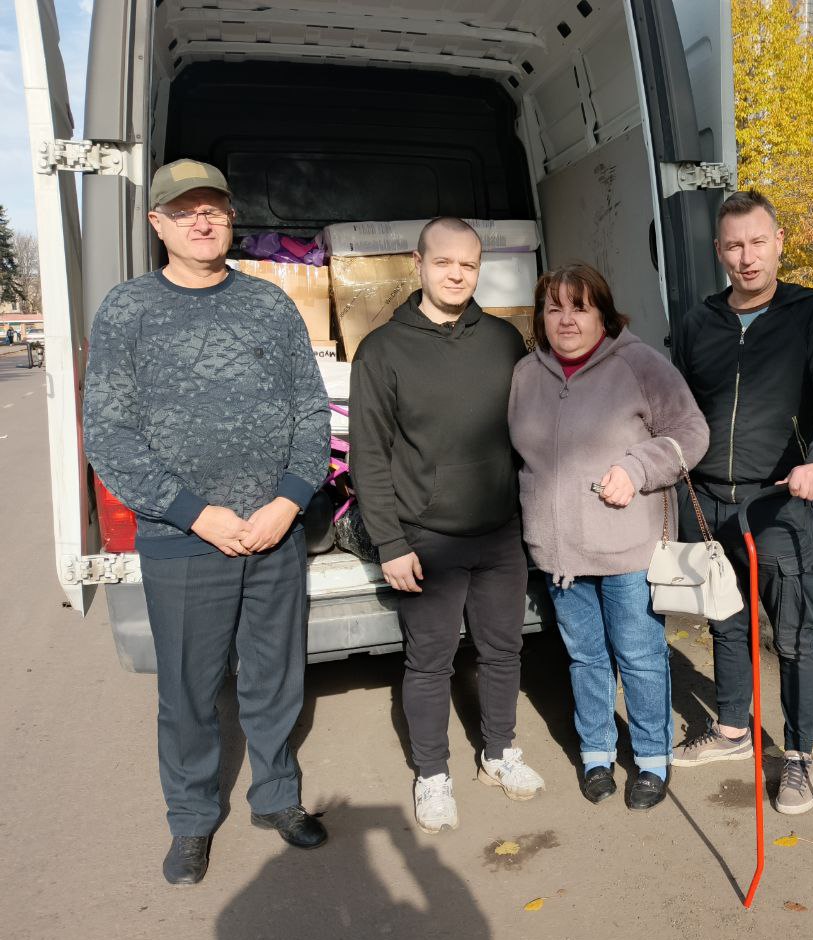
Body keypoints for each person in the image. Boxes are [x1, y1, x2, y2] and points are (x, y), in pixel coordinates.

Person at [82, 159, 332, 885]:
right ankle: (192, 819)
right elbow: (109, 434)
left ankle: (277, 797)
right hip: (185, 542)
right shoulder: (128, 310)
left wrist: (287, 501)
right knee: (189, 693)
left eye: (213, 208)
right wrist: (199, 515)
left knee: (276, 679)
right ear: (157, 223)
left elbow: (312, 413)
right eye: (184, 209)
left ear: (230, 219)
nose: (202, 219)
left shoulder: (269, 307)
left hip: (273, 534)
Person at [349, 217, 544, 834]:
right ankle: (432, 774)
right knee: (430, 664)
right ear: (419, 263)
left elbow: (531, 431)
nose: (457, 274)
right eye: (444, 263)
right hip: (426, 539)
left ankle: (499, 753)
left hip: (498, 533)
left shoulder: (504, 341)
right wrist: (390, 542)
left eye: (468, 264)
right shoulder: (382, 350)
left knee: (503, 651)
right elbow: (368, 456)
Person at [669, 190, 813, 816]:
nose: (747, 258)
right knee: (725, 619)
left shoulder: (812, 313)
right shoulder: (698, 322)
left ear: (779, 241)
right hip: (704, 500)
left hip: (778, 501)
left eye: (758, 242)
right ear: (718, 251)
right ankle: (730, 730)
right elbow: (676, 407)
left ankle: (800, 758)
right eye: (734, 246)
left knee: (795, 634)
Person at [508, 263, 708, 810]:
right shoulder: (527, 373)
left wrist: (638, 468)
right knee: (584, 658)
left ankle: (650, 758)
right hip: (560, 553)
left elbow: (691, 432)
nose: (566, 319)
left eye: (580, 306)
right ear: (541, 316)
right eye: (554, 307)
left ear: (603, 312)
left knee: (640, 656)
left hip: (627, 550)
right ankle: (596, 753)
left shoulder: (639, 363)